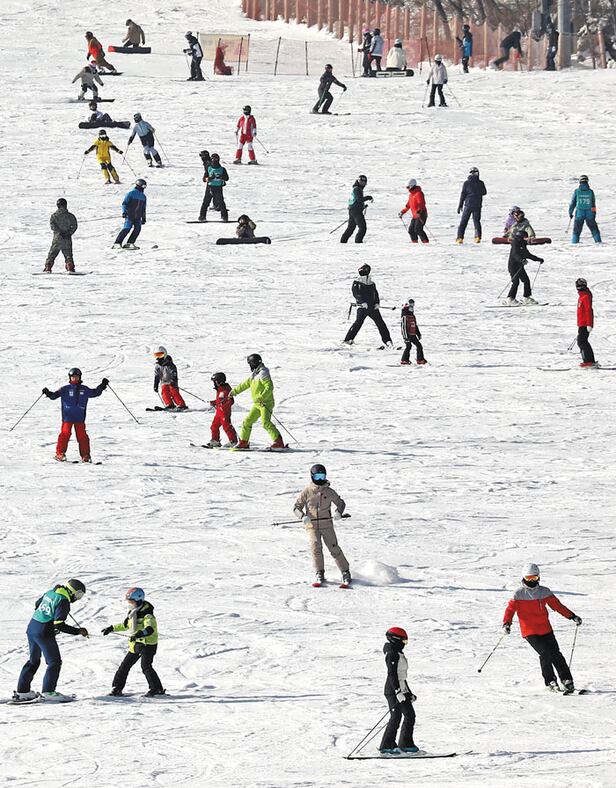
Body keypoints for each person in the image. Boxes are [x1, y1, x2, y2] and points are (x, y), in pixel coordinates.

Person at [503, 563, 582, 693]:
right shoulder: (518, 593)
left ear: (538, 577)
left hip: (546, 629)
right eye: (529, 578)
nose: (531, 581)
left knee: (556, 653)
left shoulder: (544, 592)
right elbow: (510, 610)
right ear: (523, 578)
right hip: (530, 631)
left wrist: (572, 616)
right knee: (545, 653)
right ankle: (550, 681)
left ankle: (567, 680)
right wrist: (507, 623)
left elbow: (558, 606)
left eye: (534, 578)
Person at [14, 579, 88, 703]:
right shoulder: (63, 601)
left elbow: (37, 604)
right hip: (44, 633)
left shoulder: (52, 592)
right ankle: (49, 692)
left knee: (33, 661)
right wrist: (78, 631)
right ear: (72, 591)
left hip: (32, 628)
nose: (77, 598)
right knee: (54, 662)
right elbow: (59, 624)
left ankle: (23, 692)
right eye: (78, 594)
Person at [293, 464, 351, 586]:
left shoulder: (329, 491)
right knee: (316, 548)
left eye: (322, 476)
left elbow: (341, 503)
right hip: (312, 526)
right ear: (312, 476)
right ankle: (319, 573)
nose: (320, 479)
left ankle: (345, 572)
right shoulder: (307, 491)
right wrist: (302, 516)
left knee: (334, 548)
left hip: (327, 525)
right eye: (317, 476)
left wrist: (338, 512)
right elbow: (296, 507)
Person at [102, 587, 165, 697]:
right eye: (129, 602)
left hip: (147, 645)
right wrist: (111, 628)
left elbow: (149, 629)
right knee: (124, 667)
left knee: (146, 666)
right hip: (136, 645)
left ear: (139, 600)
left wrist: (139, 634)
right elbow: (126, 625)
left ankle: (157, 689)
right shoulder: (133, 613)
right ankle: (117, 688)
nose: (130, 604)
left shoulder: (147, 614)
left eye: (131, 602)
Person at [43, 368, 108, 461]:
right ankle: (60, 454)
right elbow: (54, 396)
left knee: (82, 436)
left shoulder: (84, 389)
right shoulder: (65, 389)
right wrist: (48, 393)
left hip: (79, 417)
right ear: (70, 378)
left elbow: (95, 393)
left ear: (79, 377)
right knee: (65, 434)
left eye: (76, 377)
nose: (75, 379)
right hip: (67, 417)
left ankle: (85, 456)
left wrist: (102, 385)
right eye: (73, 377)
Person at [229, 354, 284, 450]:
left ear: (254, 363)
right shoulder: (255, 374)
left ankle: (278, 442)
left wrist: (262, 397)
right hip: (257, 404)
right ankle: (244, 442)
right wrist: (234, 392)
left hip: (265, 403)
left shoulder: (263, 373)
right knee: (247, 421)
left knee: (265, 422)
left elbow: (269, 387)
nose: (249, 366)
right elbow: (245, 384)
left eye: (250, 363)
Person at [379, 627, 419, 755]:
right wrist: (397, 692)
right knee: (396, 717)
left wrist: (408, 692)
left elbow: (402, 676)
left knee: (410, 715)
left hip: (402, 689)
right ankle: (386, 746)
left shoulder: (399, 653)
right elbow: (392, 674)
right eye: (404, 641)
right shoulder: (392, 653)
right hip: (392, 690)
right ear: (396, 639)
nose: (405, 644)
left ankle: (406, 744)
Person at [343, 264, 393, 347]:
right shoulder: (356, 282)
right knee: (358, 323)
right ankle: (348, 339)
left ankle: (388, 341)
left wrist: (377, 303)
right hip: (362, 307)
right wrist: (362, 302)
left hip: (373, 307)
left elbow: (375, 294)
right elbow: (356, 294)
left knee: (381, 324)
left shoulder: (372, 283)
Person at [505, 229, 543, 305]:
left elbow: (527, 254)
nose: (527, 239)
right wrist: (521, 260)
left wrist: (538, 259)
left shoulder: (523, 244)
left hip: (520, 266)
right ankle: (510, 299)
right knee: (515, 282)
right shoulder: (515, 244)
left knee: (526, 281)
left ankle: (527, 297)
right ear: (520, 237)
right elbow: (515, 254)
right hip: (513, 266)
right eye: (525, 237)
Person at [44, 198, 78, 273]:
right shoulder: (70, 216)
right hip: (67, 238)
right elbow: (74, 226)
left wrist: (59, 233)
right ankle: (70, 267)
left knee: (52, 254)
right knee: (68, 254)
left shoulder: (54, 216)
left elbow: (53, 226)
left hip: (57, 238)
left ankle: (48, 267)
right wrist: (68, 233)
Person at [113, 179, 147, 250]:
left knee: (137, 229)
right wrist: (124, 212)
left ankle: (130, 243)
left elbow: (143, 208)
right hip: (130, 215)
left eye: (145, 187)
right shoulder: (131, 193)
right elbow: (124, 204)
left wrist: (143, 218)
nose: (144, 188)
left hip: (138, 217)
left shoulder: (143, 196)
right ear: (139, 185)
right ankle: (117, 243)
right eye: (143, 186)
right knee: (127, 228)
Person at [206, 372, 237, 447]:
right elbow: (219, 400)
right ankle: (215, 441)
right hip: (218, 413)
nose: (214, 383)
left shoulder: (226, 390)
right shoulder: (219, 390)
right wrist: (214, 402)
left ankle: (233, 441)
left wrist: (223, 406)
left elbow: (231, 401)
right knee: (214, 426)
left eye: (215, 381)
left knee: (227, 426)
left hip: (224, 413)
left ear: (220, 381)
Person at [456, 166, 487, 243]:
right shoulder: (479, 183)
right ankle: (477, 237)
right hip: (475, 205)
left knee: (465, 221)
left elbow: (463, 194)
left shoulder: (467, 183)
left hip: (470, 205)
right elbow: (484, 192)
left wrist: (460, 205)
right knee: (475, 221)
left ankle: (460, 237)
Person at [569, 175, 601, 244]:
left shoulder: (577, 191)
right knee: (594, 229)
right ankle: (598, 242)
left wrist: (570, 212)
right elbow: (593, 204)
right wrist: (594, 214)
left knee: (576, 230)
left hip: (579, 213)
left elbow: (573, 203)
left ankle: (574, 244)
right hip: (589, 213)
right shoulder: (591, 192)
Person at [340, 174, 373, 243]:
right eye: (361, 181)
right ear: (358, 181)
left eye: (364, 182)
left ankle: (343, 241)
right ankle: (358, 242)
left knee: (351, 228)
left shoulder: (356, 188)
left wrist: (363, 206)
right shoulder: (357, 189)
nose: (363, 183)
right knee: (362, 227)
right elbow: (359, 199)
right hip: (356, 211)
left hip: (352, 210)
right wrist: (368, 197)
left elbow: (355, 200)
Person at [199, 153, 229, 222]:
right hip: (210, 187)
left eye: (216, 159)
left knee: (221, 203)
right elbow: (204, 179)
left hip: (218, 188)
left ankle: (224, 216)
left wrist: (222, 177)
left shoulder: (222, 169)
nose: (214, 160)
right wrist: (209, 178)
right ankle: (202, 216)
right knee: (206, 202)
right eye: (213, 159)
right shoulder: (209, 168)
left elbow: (227, 178)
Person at [399, 179, 428, 243]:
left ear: (412, 186)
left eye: (408, 187)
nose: (407, 189)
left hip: (421, 214)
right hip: (415, 215)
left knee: (418, 229)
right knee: (411, 230)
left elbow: (421, 204)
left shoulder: (419, 193)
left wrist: (419, 211)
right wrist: (402, 212)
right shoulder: (411, 195)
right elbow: (408, 206)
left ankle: (426, 243)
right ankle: (414, 242)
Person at [576, 278, 596, 367]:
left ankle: (588, 361)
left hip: (585, 323)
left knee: (582, 341)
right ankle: (590, 360)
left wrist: (589, 324)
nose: (578, 288)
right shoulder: (582, 295)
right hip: (581, 323)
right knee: (582, 341)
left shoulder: (586, 296)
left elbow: (589, 311)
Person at [400, 299, 426, 365]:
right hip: (408, 335)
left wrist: (418, 334)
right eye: (410, 305)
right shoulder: (405, 316)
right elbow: (403, 328)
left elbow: (415, 325)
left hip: (413, 334)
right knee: (408, 346)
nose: (412, 307)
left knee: (419, 346)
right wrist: (406, 337)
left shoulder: (412, 316)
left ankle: (420, 359)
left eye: (413, 305)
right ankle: (404, 360)